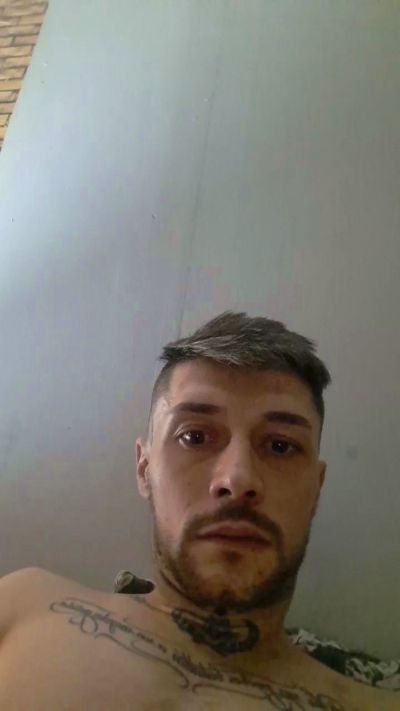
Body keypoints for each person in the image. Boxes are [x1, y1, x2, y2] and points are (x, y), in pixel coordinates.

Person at [0, 311, 397, 710]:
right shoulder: (23, 605)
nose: (238, 479)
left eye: (280, 446)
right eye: (193, 436)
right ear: (144, 468)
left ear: (316, 488)